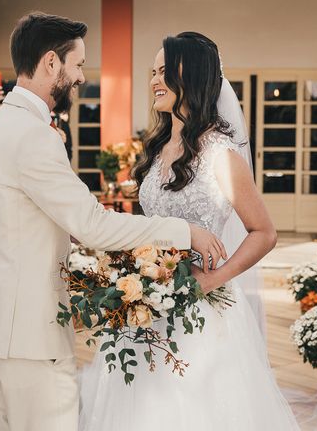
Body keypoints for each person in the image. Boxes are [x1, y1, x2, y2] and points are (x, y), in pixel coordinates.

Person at [0, 14, 226, 431]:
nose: (82, 77)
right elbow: (92, 225)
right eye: (78, 65)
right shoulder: (32, 134)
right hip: (29, 338)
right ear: (52, 63)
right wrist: (183, 231)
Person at [80, 32, 298, 430]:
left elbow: (264, 232)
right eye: (152, 72)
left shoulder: (221, 153)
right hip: (143, 302)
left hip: (200, 310)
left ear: (191, 76)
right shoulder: (157, 145)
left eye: (165, 71)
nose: (154, 81)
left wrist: (212, 280)